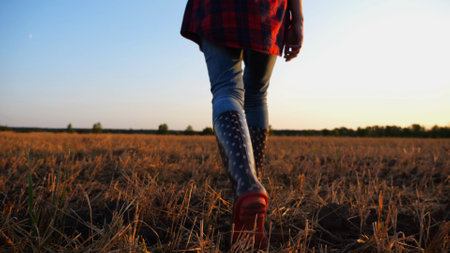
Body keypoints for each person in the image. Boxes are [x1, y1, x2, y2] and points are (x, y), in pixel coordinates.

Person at [180, 0, 303, 248]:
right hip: (268, 7)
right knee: (256, 95)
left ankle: (246, 185)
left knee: (227, 89)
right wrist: (297, 19)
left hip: (219, 7)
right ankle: (251, 188)